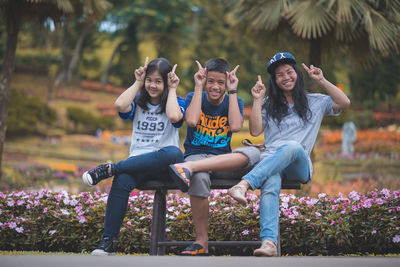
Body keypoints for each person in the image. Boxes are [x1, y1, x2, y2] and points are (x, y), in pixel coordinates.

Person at [228, 52, 351, 257]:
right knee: (270, 184)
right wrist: (257, 100)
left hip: (298, 166)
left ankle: (244, 185)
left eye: (289, 72)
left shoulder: (315, 102)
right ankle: (268, 243)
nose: (286, 77)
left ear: (297, 73)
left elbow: (344, 102)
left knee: (293, 146)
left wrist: (321, 80)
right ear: (274, 80)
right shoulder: (269, 103)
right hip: (272, 163)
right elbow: (255, 131)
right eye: (279, 75)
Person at [82, 57, 186, 255]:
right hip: (137, 164)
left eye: (158, 81)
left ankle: (111, 168)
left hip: (165, 165)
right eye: (149, 80)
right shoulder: (138, 102)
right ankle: (108, 242)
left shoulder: (177, 102)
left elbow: (174, 117)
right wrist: (137, 82)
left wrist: (172, 89)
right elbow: (120, 105)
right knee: (121, 180)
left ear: (166, 81)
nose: (153, 85)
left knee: (174, 152)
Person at [168, 58, 260, 255]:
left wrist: (233, 91)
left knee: (253, 153)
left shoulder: (234, 100)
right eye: (211, 81)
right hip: (196, 157)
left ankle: (191, 169)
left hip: (222, 161)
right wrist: (198, 86)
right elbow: (192, 121)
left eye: (220, 82)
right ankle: (202, 242)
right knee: (199, 177)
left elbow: (235, 126)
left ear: (227, 83)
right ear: (204, 80)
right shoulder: (196, 95)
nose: (215, 87)